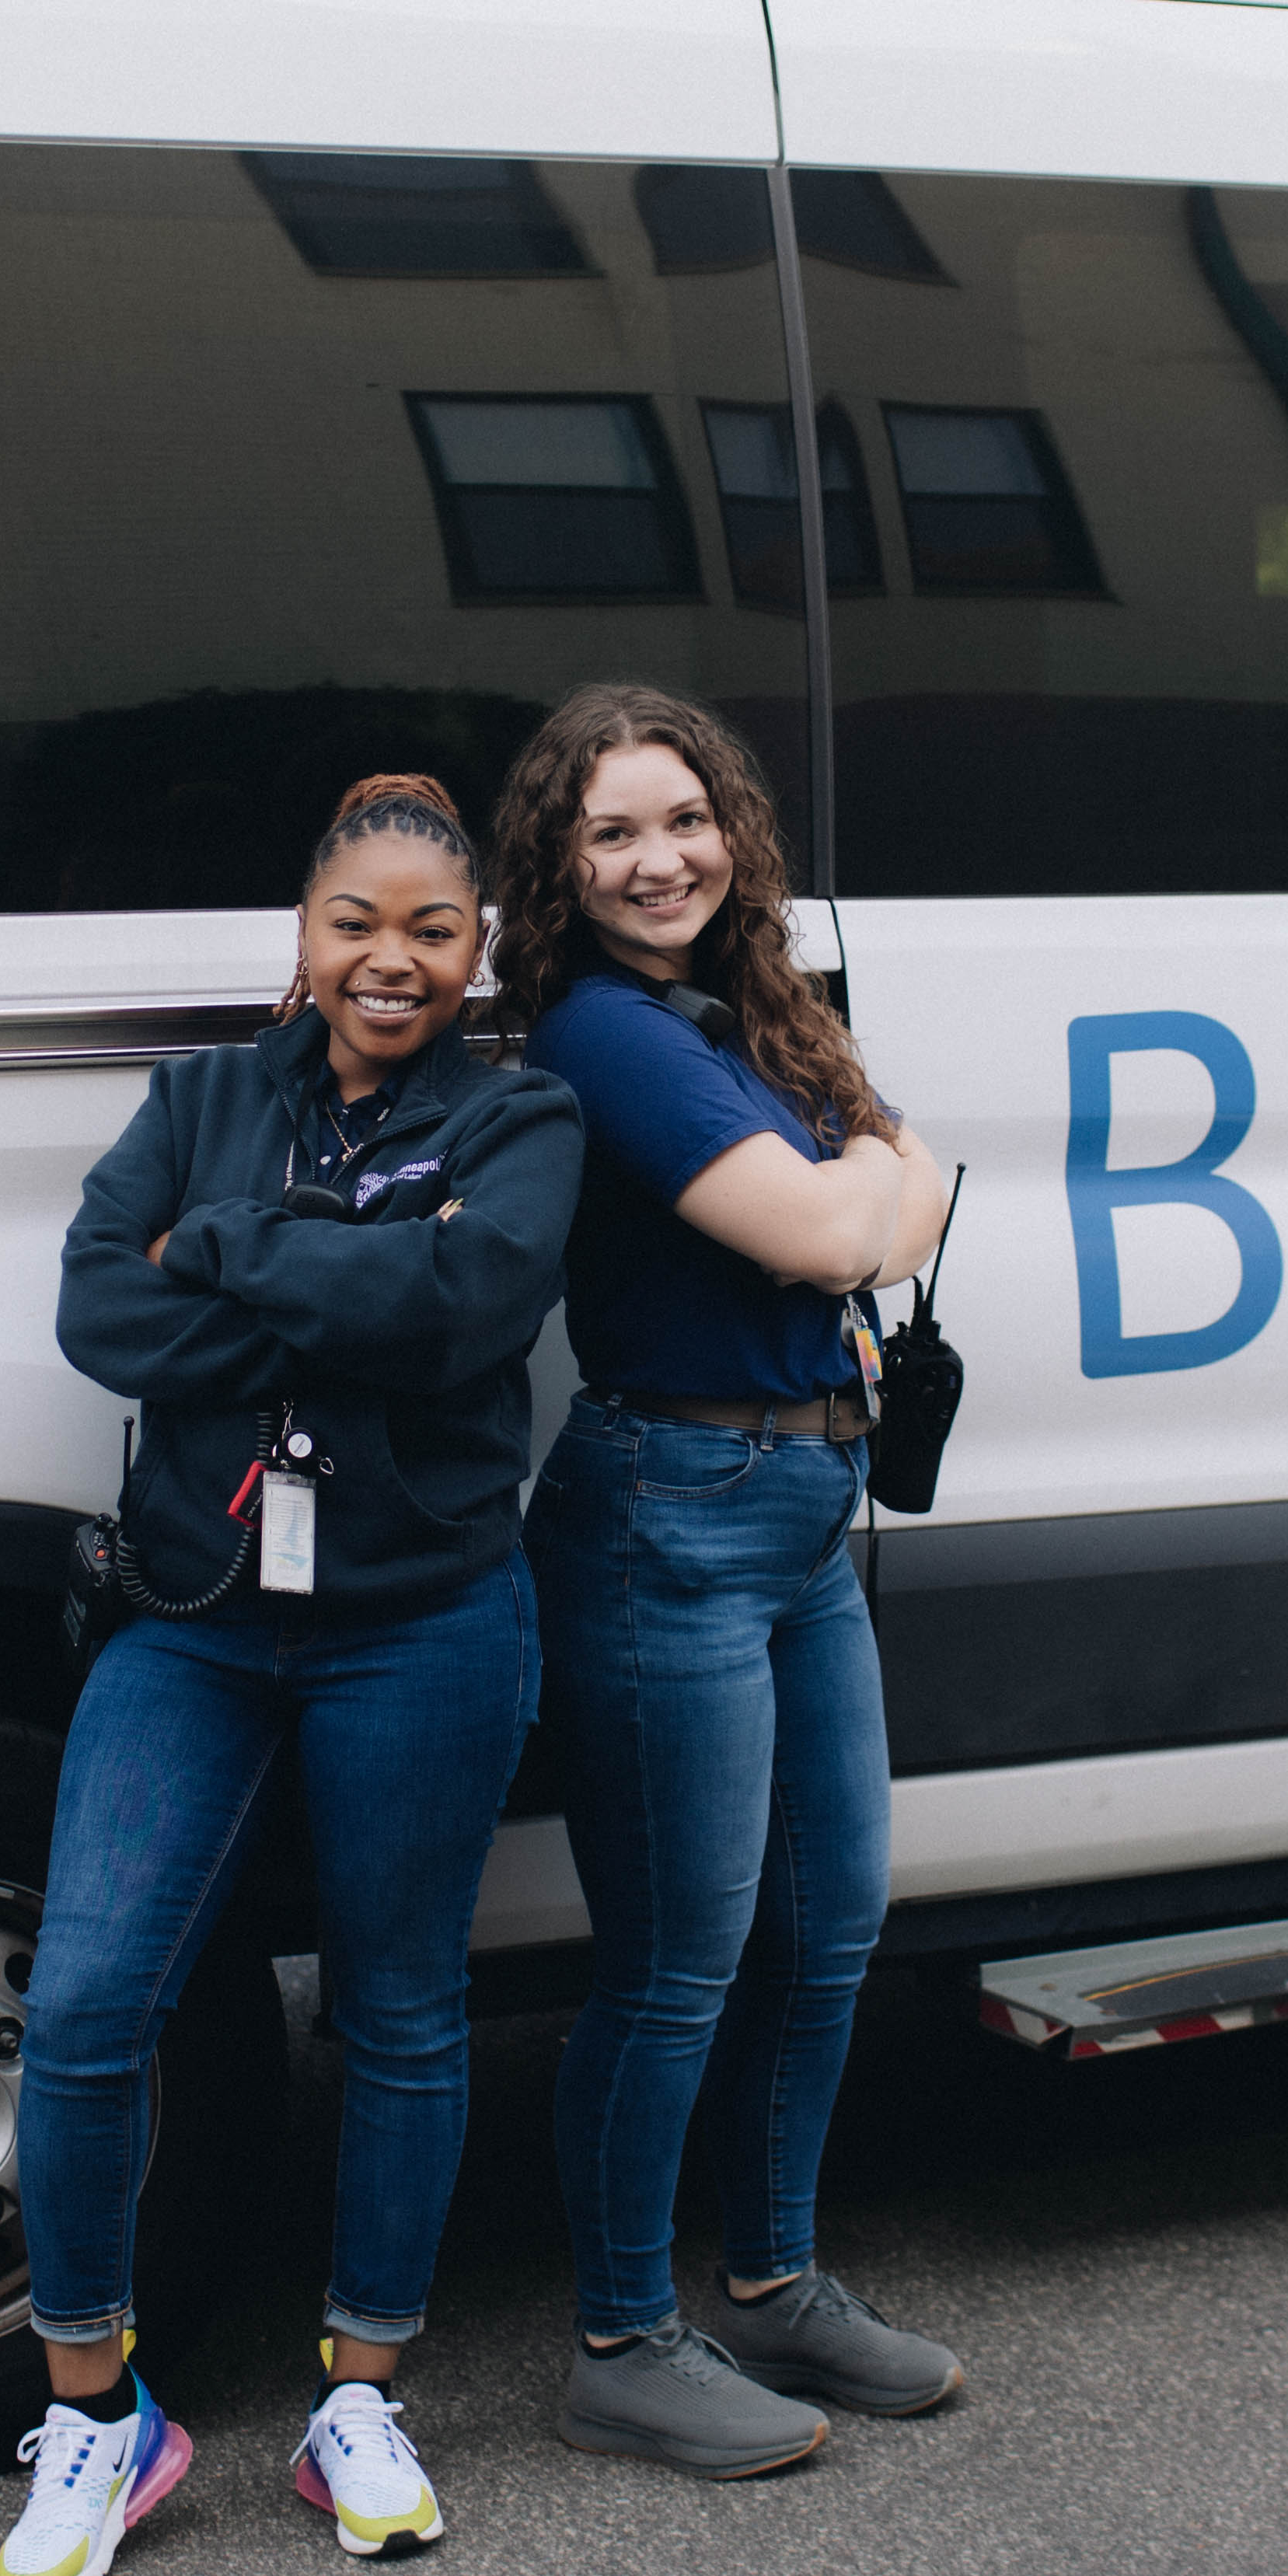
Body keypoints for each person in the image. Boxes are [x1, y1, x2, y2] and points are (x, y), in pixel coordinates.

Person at [0, 773, 583, 2576]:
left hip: (425, 1619)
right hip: (193, 1619)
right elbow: (104, 1308)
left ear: (477, 947)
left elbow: (474, 1307)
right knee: (90, 1998)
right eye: (356, 922)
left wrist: (234, 1249)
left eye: (431, 925)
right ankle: (101, 2410)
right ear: (304, 937)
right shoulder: (203, 1097)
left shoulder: (528, 1109)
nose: (389, 957)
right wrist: (363, 1284)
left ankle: (362, 2392)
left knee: (402, 2011)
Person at [490, 684, 961, 2477]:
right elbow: (854, 1218)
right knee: (681, 1953)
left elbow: (899, 1174)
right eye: (610, 830)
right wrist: (879, 1168)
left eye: (681, 817)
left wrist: (877, 1168)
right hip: (663, 1513)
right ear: (561, 859)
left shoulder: (750, 1008)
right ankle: (624, 2334)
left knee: (829, 1923)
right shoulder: (606, 1032)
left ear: (730, 829)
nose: (656, 855)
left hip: (803, 1501)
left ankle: (774, 2281)